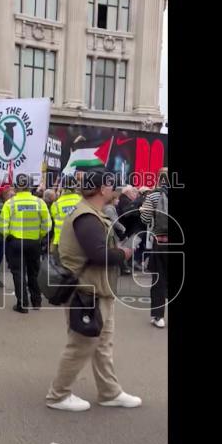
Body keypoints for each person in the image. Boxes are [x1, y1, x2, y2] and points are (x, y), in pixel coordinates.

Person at [46, 168, 142, 412]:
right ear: (102, 189)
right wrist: (125, 252)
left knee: (103, 345)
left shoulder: (92, 213)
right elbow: (99, 255)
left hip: (99, 291)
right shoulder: (86, 217)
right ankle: (58, 395)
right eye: (111, 185)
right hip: (87, 293)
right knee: (81, 345)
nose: (115, 190)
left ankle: (109, 392)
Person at [0, 174, 51, 313]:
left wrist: (8, 236)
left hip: (15, 242)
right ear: (30, 186)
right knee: (34, 272)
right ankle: (36, 301)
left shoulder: (10, 203)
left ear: (16, 187)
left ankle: (22, 304)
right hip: (34, 242)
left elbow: (2, 225)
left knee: (18, 273)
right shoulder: (40, 203)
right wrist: (39, 236)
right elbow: (47, 224)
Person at [140, 168, 170, 328]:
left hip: (160, 243)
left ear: (158, 179)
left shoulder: (153, 195)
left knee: (158, 280)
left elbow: (144, 218)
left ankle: (158, 317)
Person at [48, 176, 82, 262]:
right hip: (78, 240)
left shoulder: (56, 204)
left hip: (60, 241)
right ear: (75, 187)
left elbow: (52, 220)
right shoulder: (82, 201)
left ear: (62, 187)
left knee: (61, 270)